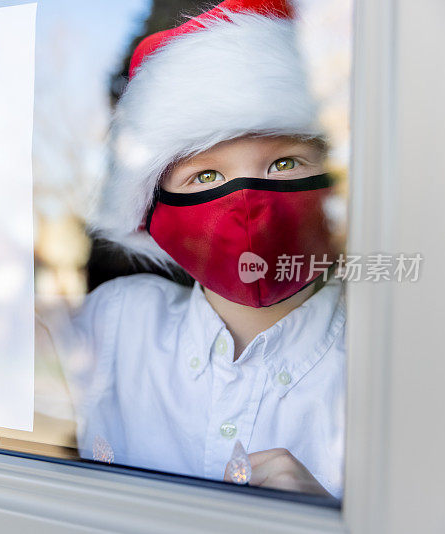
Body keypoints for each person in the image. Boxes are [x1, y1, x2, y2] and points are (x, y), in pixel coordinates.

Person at [56, 0, 346, 497]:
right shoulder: (117, 320)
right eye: (206, 175)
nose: (248, 202)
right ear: (150, 204)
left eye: (285, 163)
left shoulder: (387, 355)